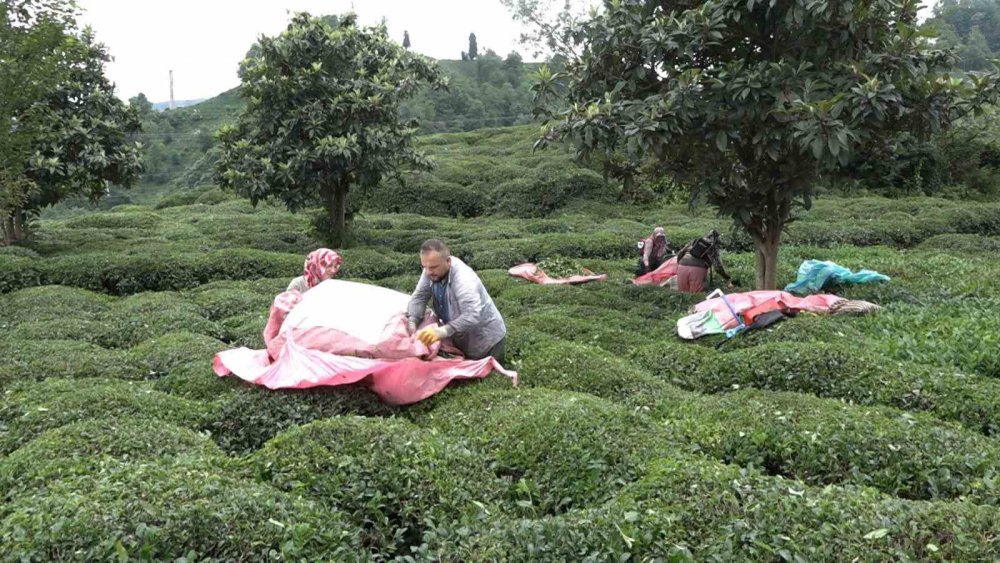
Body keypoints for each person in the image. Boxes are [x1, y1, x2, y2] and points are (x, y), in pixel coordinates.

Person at [406, 239, 507, 362]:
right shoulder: (431, 269)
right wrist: (413, 321)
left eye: (433, 267)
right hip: (460, 335)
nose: (428, 272)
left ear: (448, 261)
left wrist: (443, 331)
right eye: (424, 267)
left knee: (490, 371)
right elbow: (420, 297)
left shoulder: (463, 279)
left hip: (486, 340)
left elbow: (472, 315)